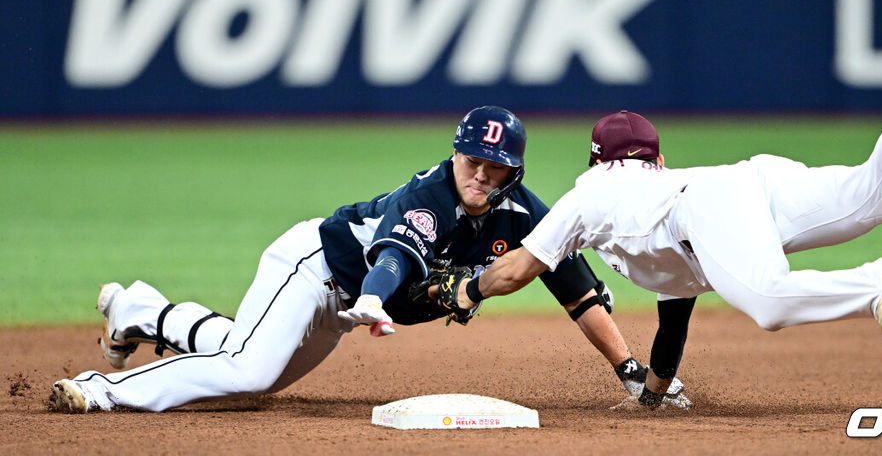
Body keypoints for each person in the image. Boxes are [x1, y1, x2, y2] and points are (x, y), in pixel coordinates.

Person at [427, 46, 882, 409]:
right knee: (874, 195)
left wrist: (467, 289)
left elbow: (522, 266)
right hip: (751, 179)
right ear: (656, 161)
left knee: (769, 301)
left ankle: (873, 288)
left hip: (708, 209)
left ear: (598, 161)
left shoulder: (589, 193)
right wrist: (652, 395)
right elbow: (674, 321)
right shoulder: (659, 188)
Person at [49, 106, 689, 413]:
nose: (482, 176)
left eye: (497, 168)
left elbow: (576, 289)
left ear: (514, 172)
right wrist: (375, 300)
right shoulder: (429, 197)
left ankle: (141, 309)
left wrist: (631, 368)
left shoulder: (526, 213)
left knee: (254, 370)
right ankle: (96, 390)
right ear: (455, 155)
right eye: (473, 161)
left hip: (348, 302)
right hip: (316, 267)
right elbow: (391, 259)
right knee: (246, 372)